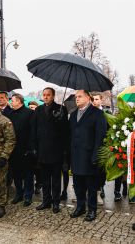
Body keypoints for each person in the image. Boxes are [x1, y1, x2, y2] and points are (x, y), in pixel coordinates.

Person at [70, 90, 107, 222]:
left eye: (79, 96)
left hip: (89, 157)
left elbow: (100, 137)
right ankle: (80, 207)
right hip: (76, 156)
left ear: (88, 97)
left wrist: (96, 155)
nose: (77, 99)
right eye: (76, 97)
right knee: (78, 185)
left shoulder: (98, 114)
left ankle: (92, 209)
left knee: (91, 186)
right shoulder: (73, 115)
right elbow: (70, 136)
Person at [33, 87, 69, 214]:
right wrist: (34, 148)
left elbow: (65, 130)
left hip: (56, 151)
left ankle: (55, 203)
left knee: (55, 180)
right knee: (45, 179)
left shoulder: (61, 109)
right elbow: (34, 129)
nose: (46, 97)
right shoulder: (38, 110)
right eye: (44, 95)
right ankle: (46, 201)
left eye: (48, 95)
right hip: (42, 150)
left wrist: (59, 119)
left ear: (53, 96)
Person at [9, 94, 34, 207]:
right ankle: (19, 194)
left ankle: (28, 196)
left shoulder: (29, 113)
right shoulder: (10, 114)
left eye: (12, 100)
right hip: (13, 149)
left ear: (19, 101)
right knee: (16, 174)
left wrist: (30, 148)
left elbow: (33, 132)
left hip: (26, 150)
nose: (11, 102)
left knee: (28, 174)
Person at [28, 101, 42, 194]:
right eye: (30, 107)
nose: (31, 108)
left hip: (38, 147)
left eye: (33, 107)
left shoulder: (39, 117)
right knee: (30, 169)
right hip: (29, 146)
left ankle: (38, 184)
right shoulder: (27, 117)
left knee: (38, 169)